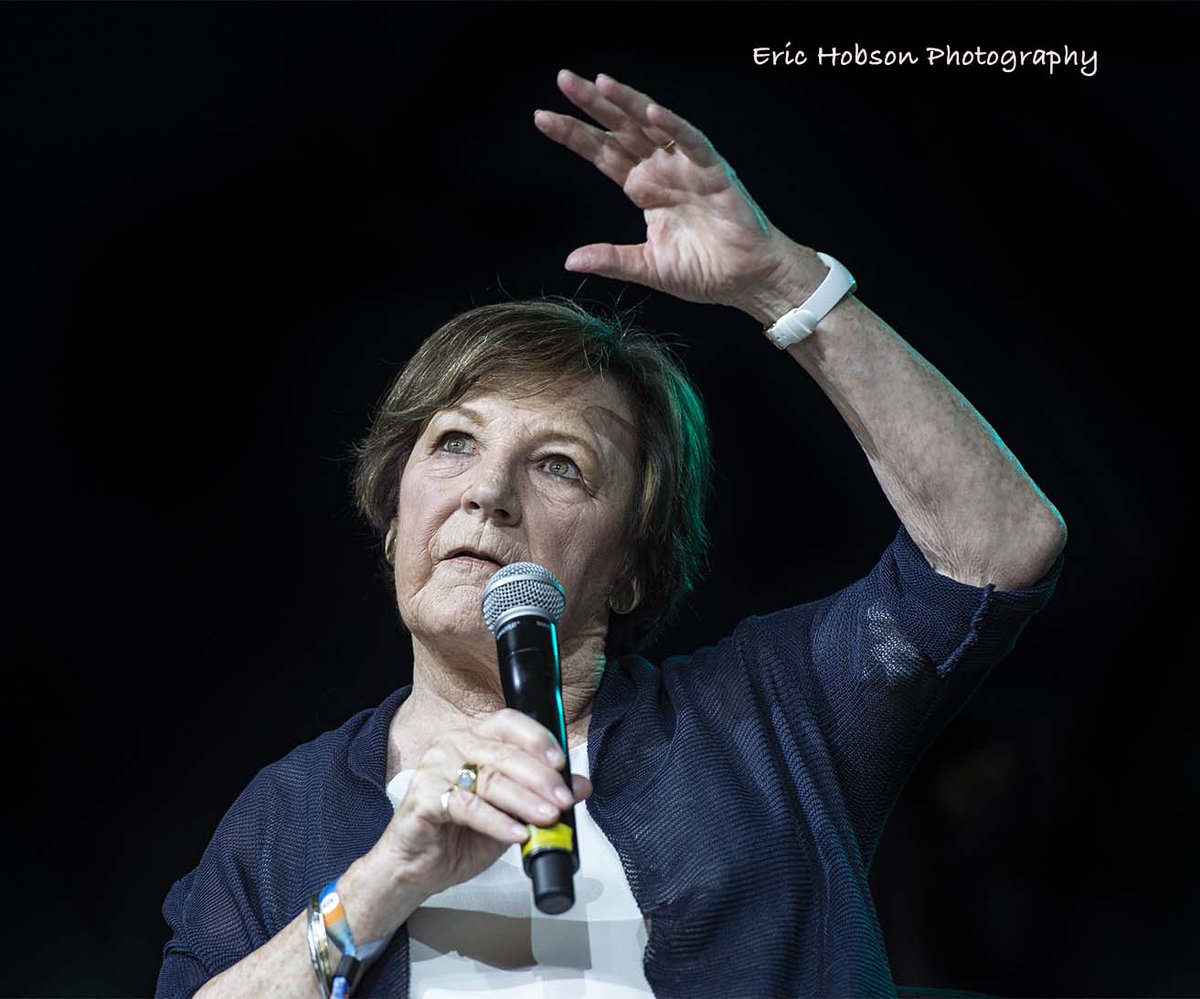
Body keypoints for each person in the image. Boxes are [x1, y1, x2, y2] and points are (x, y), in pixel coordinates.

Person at [156, 69, 1066, 999]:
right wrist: (382, 881)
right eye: (454, 443)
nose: (488, 493)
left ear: (632, 563)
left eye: (560, 464)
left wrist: (781, 282)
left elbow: (998, 549)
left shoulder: (763, 720)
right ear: (394, 522)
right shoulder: (283, 818)